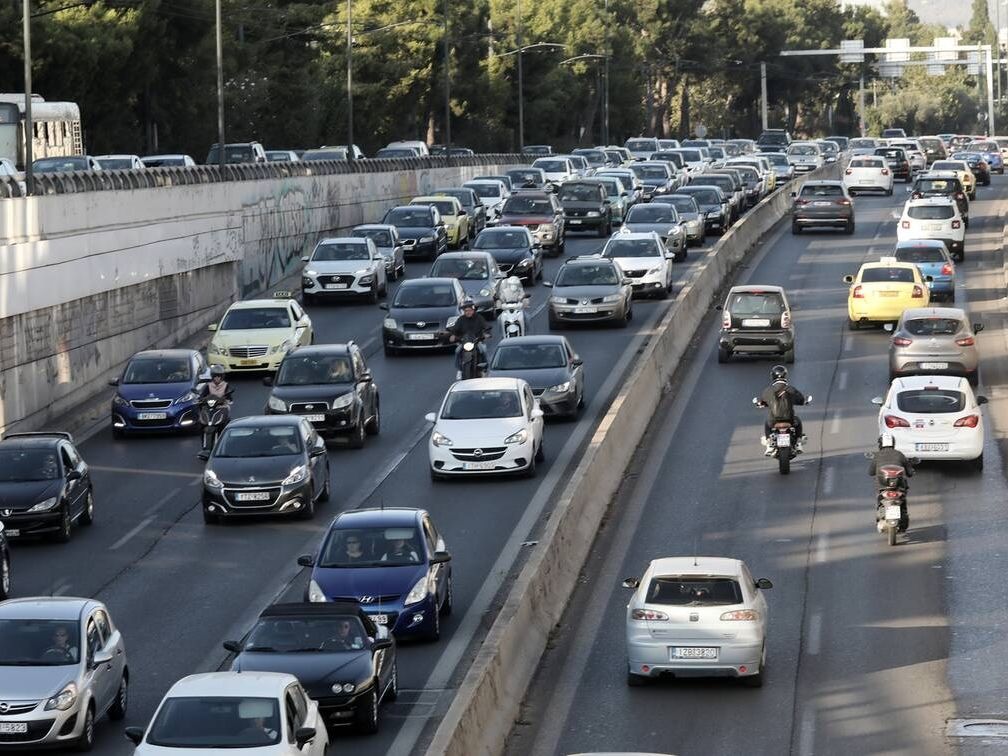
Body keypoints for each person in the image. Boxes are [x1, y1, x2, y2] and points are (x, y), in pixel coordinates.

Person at [755, 365, 809, 456]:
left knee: (767, 423)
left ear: (772, 376)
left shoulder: (768, 390)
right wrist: (805, 401)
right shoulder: (790, 389)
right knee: (798, 421)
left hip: (774, 420)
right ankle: (798, 443)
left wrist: (759, 403)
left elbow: (761, 401)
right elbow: (801, 400)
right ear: (785, 376)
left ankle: (769, 444)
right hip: (789, 419)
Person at [868, 433, 913, 531]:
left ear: (880, 444)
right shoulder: (899, 454)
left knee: (879, 501)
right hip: (899, 487)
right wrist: (911, 471)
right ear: (893, 443)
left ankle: (879, 517)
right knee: (903, 500)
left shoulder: (877, 455)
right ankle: (902, 515)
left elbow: (870, 472)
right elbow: (910, 472)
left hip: (882, 487)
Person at [449, 298, 490, 379]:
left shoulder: (479, 318)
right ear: (464, 311)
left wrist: (486, 334)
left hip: (477, 341)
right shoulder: (461, 319)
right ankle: (460, 370)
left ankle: (484, 369)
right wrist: (453, 335)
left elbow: (486, 326)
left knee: (483, 350)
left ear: (473, 310)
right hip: (464, 342)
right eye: (466, 310)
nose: (468, 312)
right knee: (457, 351)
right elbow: (455, 329)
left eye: (470, 310)